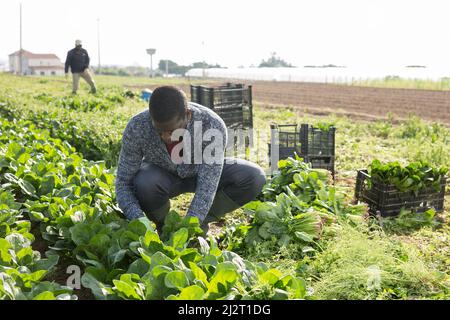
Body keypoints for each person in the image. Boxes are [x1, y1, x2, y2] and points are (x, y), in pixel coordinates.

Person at [115, 86, 266, 234]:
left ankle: (201, 223)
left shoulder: (212, 124)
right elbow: (123, 182)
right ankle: (164, 225)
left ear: (188, 114)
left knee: (253, 176)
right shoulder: (137, 127)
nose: (167, 137)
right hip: (162, 178)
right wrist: (138, 220)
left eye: (172, 131)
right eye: (160, 131)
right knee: (144, 182)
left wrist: (189, 226)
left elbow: (208, 186)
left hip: (203, 172)